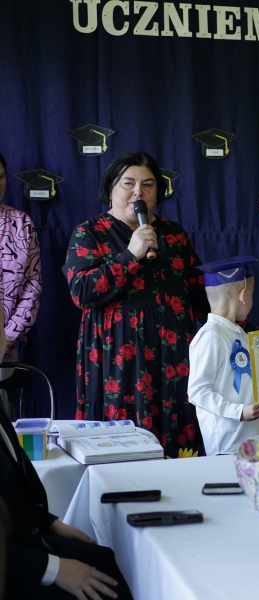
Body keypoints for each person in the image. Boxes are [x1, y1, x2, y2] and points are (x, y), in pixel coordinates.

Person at [62, 151, 208, 458]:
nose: (138, 192)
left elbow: (199, 295)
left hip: (173, 359)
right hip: (117, 360)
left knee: (178, 443)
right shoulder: (89, 232)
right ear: (111, 189)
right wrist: (131, 255)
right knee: (122, 448)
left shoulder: (174, 235)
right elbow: (82, 292)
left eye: (148, 185)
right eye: (128, 183)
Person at [1, 311, 132, 600]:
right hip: (14, 571)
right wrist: (54, 569)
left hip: (26, 541)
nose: (5, 336)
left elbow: (15, 489)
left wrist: (50, 523)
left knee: (110, 560)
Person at [187, 256, 259, 455]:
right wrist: (238, 411)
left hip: (254, 440)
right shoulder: (210, 336)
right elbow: (198, 391)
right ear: (244, 295)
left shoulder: (240, 335)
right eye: (252, 294)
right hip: (228, 446)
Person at [0, 151, 42, 415]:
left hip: (6, 345)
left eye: (0, 176)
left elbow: (32, 286)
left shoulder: (20, 222)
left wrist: (6, 337)